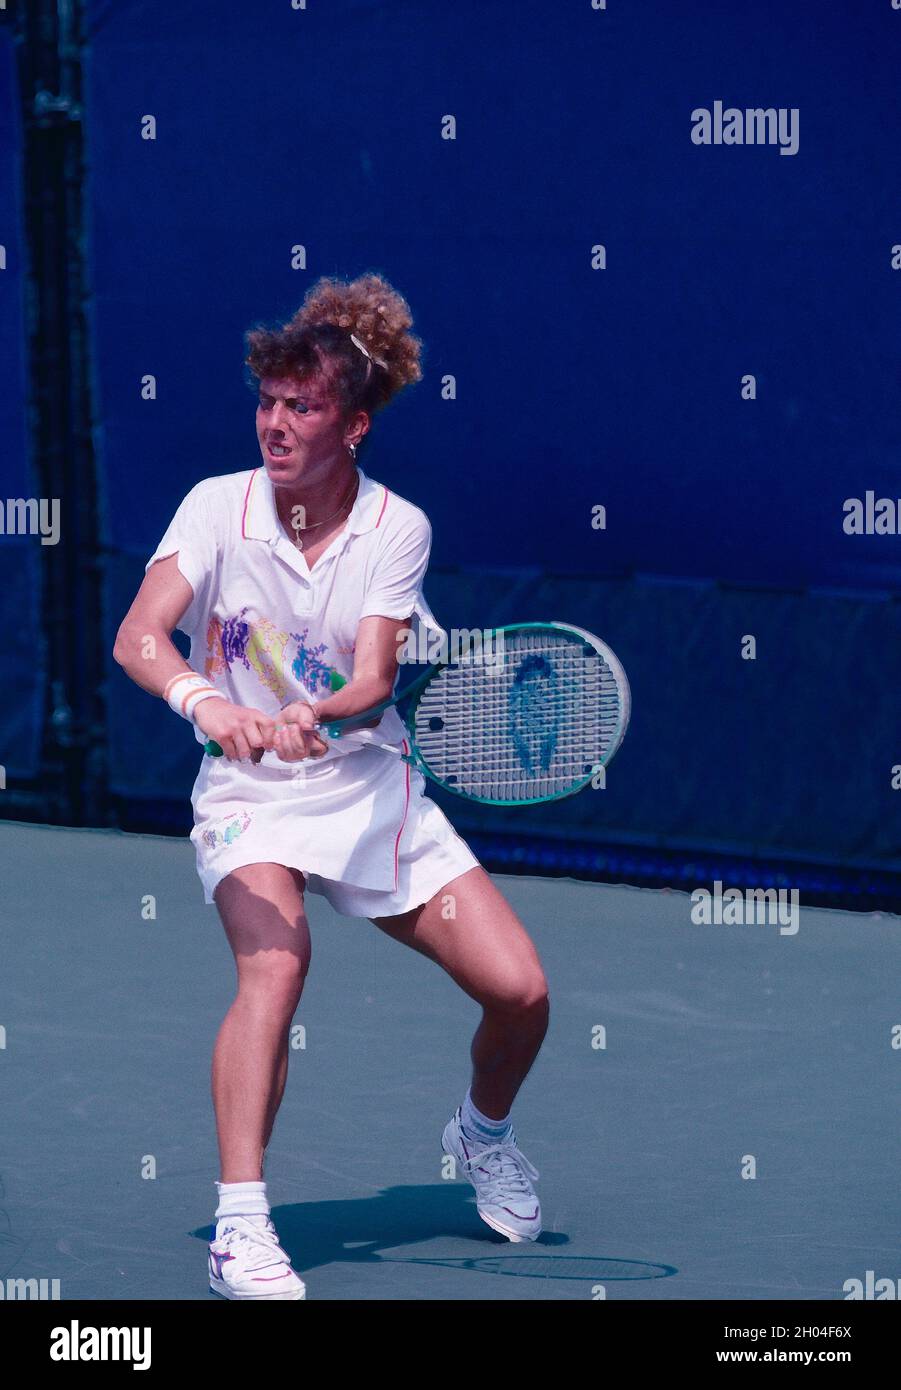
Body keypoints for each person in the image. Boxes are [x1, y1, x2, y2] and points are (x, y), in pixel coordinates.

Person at [113, 273, 550, 1300]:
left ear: (352, 425)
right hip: (247, 796)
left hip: (366, 791)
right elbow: (140, 633)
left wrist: (323, 713)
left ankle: (481, 1134)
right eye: (267, 400)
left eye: (301, 406)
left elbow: (374, 679)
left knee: (521, 993)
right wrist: (207, 705)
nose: (275, 422)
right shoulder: (216, 506)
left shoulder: (397, 529)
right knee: (277, 962)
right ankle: (241, 1228)